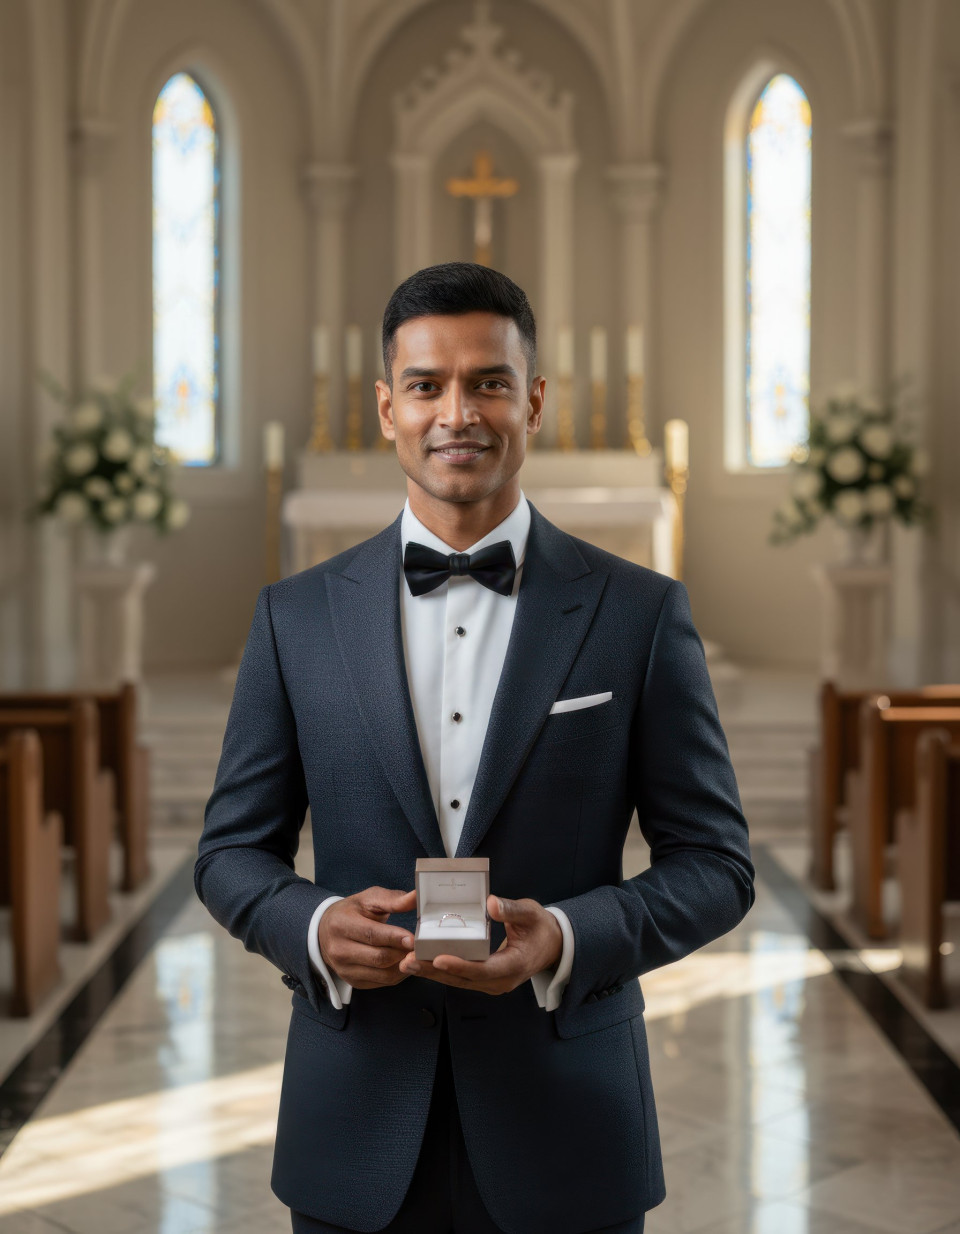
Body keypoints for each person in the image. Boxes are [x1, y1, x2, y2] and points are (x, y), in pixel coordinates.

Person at [195, 262, 755, 1234]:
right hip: (353, 1119)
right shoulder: (296, 618)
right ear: (386, 407)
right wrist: (318, 926)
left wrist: (567, 937)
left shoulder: (639, 614)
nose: (459, 411)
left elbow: (717, 866)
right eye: (427, 385)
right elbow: (229, 855)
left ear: (534, 400)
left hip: (569, 1115)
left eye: (489, 381)